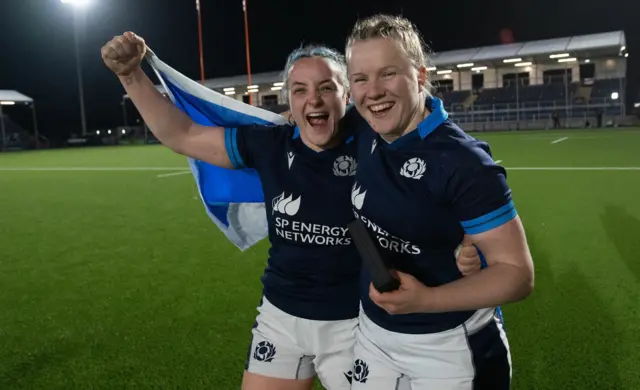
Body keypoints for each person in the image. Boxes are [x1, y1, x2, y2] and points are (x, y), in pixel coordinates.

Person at [101, 32, 482, 390]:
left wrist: (467, 241)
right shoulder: (269, 144)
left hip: (357, 326)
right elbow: (182, 134)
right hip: (280, 319)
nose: (313, 100)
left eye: (326, 88)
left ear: (346, 96)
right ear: (290, 101)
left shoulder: (376, 137)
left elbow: (446, 164)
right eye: (300, 90)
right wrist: (131, 76)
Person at [344, 14, 535, 389]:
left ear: (418, 75)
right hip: (373, 336)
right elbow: (309, 121)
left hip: (450, 347)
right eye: (360, 79)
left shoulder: (464, 162)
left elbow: (517, 274)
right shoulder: (364, 127)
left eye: (388, 73)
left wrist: (426, 300)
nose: (374, 91)